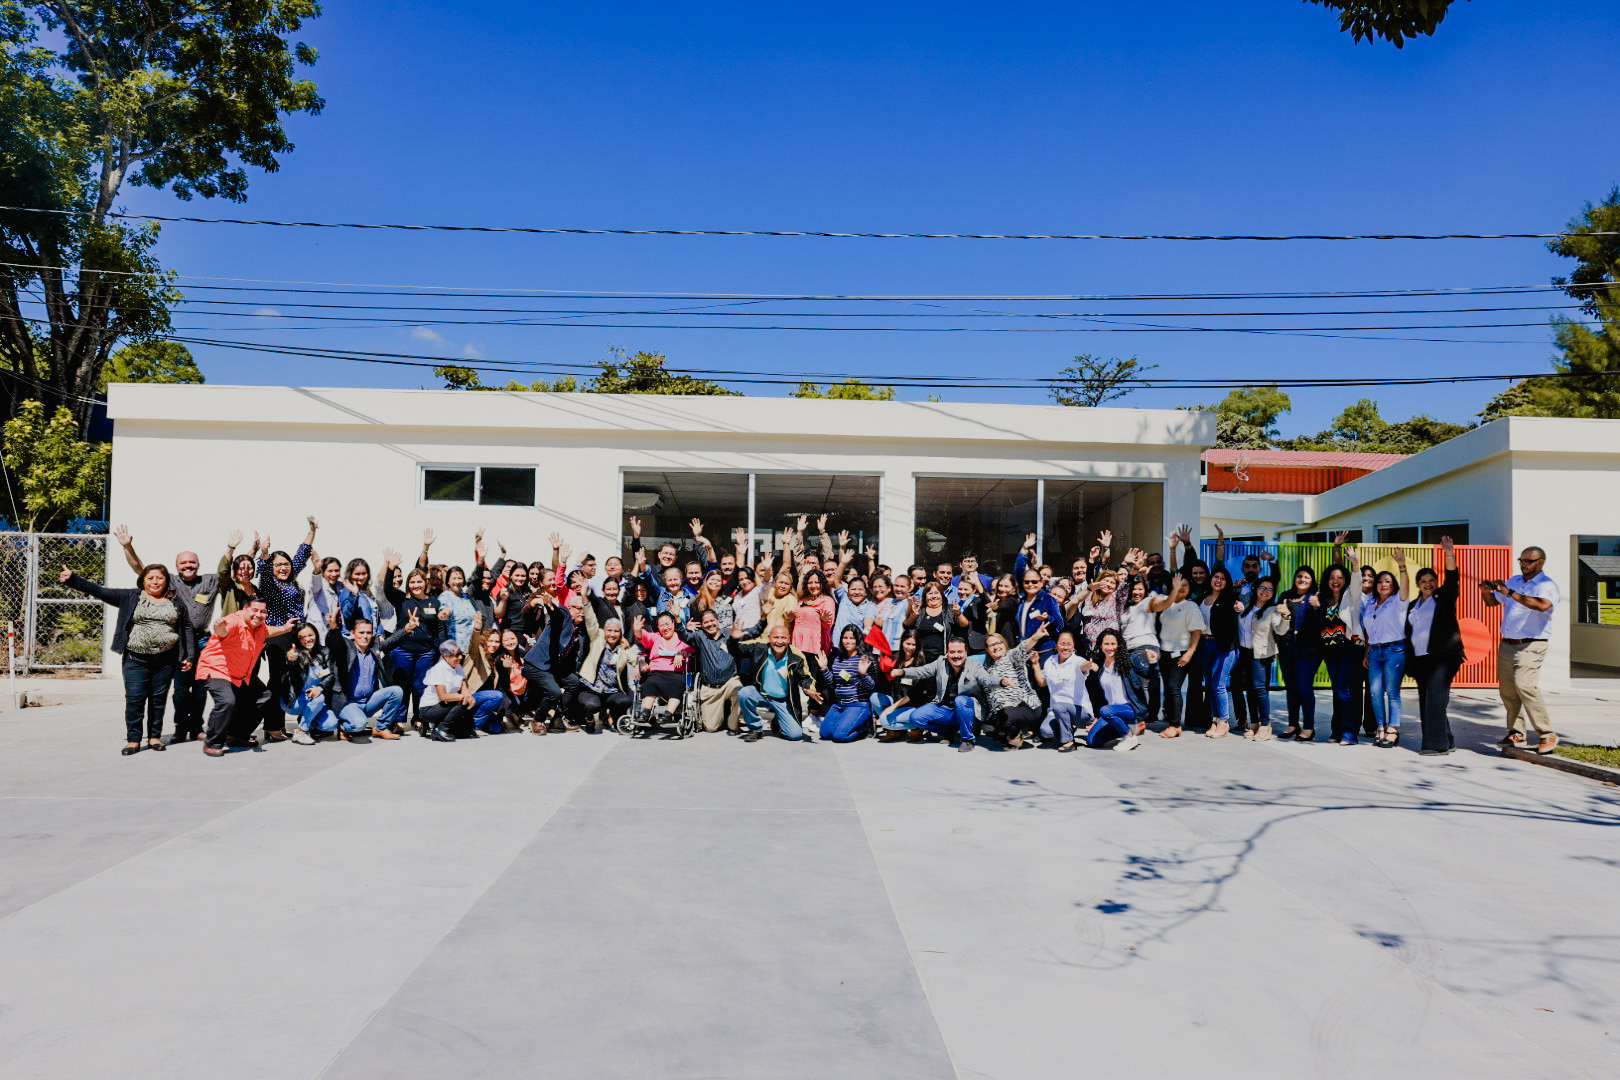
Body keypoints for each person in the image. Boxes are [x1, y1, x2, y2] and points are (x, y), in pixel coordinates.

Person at [59, 561, 198, 755]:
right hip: (136, 659)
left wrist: (189, 655)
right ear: (143, 580)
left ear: (166, 581)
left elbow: (186, 628)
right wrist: (74, 580)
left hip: (165, 660)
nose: (155, 582)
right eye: (150, 578)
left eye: (160, 578)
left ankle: (154, 737)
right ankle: (133, 740)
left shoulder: (175, 603)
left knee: (158, 700)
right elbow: (101, 591)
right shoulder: (130, 597)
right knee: (135, 698)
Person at [114, 524, 229, 743]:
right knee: (180, 689)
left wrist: (236, 549)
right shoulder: (170, 581)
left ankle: (196, 727)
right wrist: (128, 546)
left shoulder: (210, 581)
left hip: (203, 641)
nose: (188, 565)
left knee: (200, 688)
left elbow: (230, 571)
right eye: (183, 562)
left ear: (198, 564)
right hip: (179, 643)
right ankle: (180, 727)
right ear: (176, 567)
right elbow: (141, 569)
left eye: (192, 562)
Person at [1484, 546, 1561, 754]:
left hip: (1532, 644)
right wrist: (1486, 591)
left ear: (1541, 562)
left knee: (1524, 685)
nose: (1523, 564)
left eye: (1528, 561)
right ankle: (1517, 733)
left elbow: (1542, 605)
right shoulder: (1514, 581)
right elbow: (1492, 603)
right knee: (1508, 690)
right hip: (1508, 643)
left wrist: (1510, 593)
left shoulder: (1546, 585)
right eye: (1521, 560)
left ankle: (1547, 734)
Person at [254, 516, 319, 742]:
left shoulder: (291, 579)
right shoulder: (270, 584)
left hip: (293, 636)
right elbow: (262, 570)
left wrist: (312, 531)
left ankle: (276, 726)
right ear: (271, 568)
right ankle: (272, 727)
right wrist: (263, 554)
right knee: (277, 681)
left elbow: (301, 555)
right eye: (278, 564)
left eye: (285, 564)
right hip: (277, 637)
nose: (283, 567)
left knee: (288, 681)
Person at [197, 598, 284, 756]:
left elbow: (269, 631)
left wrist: (286, 628)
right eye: (255, 610)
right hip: (217, 670)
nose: (258, 614)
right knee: (227, 701)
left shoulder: (259, 628)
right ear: (244, 609)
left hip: (239, 675)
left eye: (263, 612)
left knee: (263, 695)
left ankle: (237, 735)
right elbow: (224, 630)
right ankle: (212, 741)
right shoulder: (234, 621)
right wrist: (219, 627)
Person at [882, 638, 991, 752]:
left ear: (966, 652)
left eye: (959, 652)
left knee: (961, 700)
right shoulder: (940, 663)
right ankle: (946, 731)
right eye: (952, 652)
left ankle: (968, 740)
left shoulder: (975, 666)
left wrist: (1001, 682)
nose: (956, 655)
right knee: (916, 718)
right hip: (945, 710)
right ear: (947, 653)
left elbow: (988, 679)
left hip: (967, 710)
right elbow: (922, 671)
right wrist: (903, 672)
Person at [1408, 537, 1464, 757]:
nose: (1428, 583)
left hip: (1444, 657)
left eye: (1432, 580)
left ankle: (1436, 745)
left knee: (1435, 697)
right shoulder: (1413, 605)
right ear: (1418, 584)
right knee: (1429, 699)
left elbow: (1452, 579)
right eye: (1423, 580)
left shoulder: (1444, 597)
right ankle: (1447, 739)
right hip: (1421, 659)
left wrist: (1449, 554)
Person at [382, 551, 448, 725]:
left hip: (426, 653)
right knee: (403, 687)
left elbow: (439, 628)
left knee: (421, 687)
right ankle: (399, 719)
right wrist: (390, 568)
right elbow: (387, 588)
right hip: (402, 651)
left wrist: (440, 649)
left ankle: (419, 717)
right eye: (412, 581)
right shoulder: (401, 599)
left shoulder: (434, 601)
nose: (416, 584)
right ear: (408, 584)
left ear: (425, 582)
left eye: (419, 581)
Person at [324, 608, 409, 738]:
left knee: (396, 691)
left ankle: (381, 727)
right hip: (348, 703)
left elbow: (390, 642)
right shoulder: (346, 649)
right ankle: (343, 726)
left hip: (369, 701)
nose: (365, 636)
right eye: (361, 632)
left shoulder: (374, 648)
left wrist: (407, 629)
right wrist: (333, 627)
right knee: (359, 725)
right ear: (352, 633)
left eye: (368, 633)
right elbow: (336, 643)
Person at [735, 624, 821, 742]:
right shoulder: (761, 647)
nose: (779, 641)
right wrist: (734, 639)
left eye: (783, 638)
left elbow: (805, 676)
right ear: (769, 638)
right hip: (762, 694)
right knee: (744, 693)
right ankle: (756, 729)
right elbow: (737, 649)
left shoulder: (796, 656)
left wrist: (808, 688)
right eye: (776, 637)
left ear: (789, 639)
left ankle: (777, 722)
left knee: (794, 735)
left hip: (783, 700)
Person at [1360, 551, 1410, 749]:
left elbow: (1405, 585)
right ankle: (1380, 726)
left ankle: (1393, 728)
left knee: (1392, 691)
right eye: (1379, 581)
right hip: (1374, 651)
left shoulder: (1399, 601)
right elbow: (1370, 632)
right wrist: (1366, 652)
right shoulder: (1371, 604)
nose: (1382, 584)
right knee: (1374, 691)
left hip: (1394, 650)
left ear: (1393, 584)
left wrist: (1402, 565)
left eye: (1387, 581)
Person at [527, 593, 591, 730]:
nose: (581, 612)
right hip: (537, 664)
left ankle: (557, 719)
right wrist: (550, 606)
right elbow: (557, 614)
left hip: (553, 667)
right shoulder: (564, 615)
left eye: (583, 609)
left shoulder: (580, 630)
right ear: (570, 607)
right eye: (578, 608)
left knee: (573, 683)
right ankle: (537, 720)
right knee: (554, 692)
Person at [980, 623, 1048, 749]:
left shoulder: (1011, 656)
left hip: (1026, 706)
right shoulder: (986, 668)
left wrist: (1035, 637)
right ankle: (1011, 733)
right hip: (1001, 711)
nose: (996, 646)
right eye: (991, 645)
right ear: (987, 650)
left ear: (1004, 643)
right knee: (996, 721)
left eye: (998, 643)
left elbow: (1022, 648)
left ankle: (1016, 736)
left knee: (1003, 718)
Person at [1317, 565, 1364, 745]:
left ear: (1346, 580)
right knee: (1337, 690)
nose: (1335, 581)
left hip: (1348, 649)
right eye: (1332, 577)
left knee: (1343, 690)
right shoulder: (1323, 600)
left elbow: (1357, 582)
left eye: (1340, 577)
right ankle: (1337, 730)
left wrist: (1355, 563)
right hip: (1330, 652)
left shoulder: (1351, 597)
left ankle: (1349, 733)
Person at [1276, 567, 1323, 742]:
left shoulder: (1315, 598)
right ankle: (1293, 724)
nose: (1302, 579)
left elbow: (1320, 623)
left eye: (1307, 577)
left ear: (1312, 581)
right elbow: (1278, 619)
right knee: (1291, 688)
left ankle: (1309, 727)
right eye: (1299, 576)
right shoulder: (1285, 596)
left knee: (1304, 687)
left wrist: (1318, 607)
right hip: (1287, 648)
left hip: (1308, 650)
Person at [681, 608, 744, 734]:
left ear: (718, 620)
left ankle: (733, 725)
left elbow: (745, 644)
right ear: (702, 625)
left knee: (740, 691)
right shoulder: (700, 637)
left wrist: (737, 638)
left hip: (729, 683)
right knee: (711, 728)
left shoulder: (729, 634)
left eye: (712, 620)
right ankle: (722, 716)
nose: (710, 624)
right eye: (706, 622)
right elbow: (683, 636)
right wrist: (680, 621)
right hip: (710, 688)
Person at [1155, 573, 1203, 738]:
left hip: (1181, 653)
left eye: (1185, 585)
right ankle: (1172, 720)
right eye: (1178, 584)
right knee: (1168, 688)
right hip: (1164, 652)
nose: (1181, 588)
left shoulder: (1191, 606)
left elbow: (1197, 631)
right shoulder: (1164, 602)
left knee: (1174, 688)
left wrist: (1190, 652)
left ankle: (1175, 725)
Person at [1238, 578, 1285, 741]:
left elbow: (1280, 630)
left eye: (1270, 590)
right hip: (1244, 652)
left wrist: (1285, 616)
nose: (1265, 591)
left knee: (1259, 689)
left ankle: (1266, 725)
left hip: (1262, 654)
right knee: (1249, 689)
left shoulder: (1272, 610)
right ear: (1255, 588)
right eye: (1262, 588)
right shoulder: (1246, 606)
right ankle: (1254, 723)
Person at [1082, 629, 1145, 751]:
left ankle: (1129, 737)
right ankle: (1127, 728)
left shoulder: (1127, 662)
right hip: (1112, 711)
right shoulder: (1100, 665)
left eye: (1113, 644)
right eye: (1106, 644)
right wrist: (1090, 667)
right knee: (1092, 741)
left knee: (1105, 711)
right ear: (1100, 645)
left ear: (1118, 645)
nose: (1110, 647)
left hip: (1129, 708)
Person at [1033, 630, 1095, 751]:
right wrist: (1035, 664)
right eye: (1062, 644)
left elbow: (1083, 666)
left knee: (1059, 706)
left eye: (1069, 644)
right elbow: (1042, 682)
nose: (1065, 647)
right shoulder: (1050, 661)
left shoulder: (1077, 660)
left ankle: (1069, 742)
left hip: (1080, 711)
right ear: (1056, 646)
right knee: (1046, 731)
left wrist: (1089, 665)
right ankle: (1067, 729)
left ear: (1073, 647)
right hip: (1057, 711)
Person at [577, 607, 635, 733]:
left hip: (610, 692)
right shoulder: (597, 639)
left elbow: (635, 659)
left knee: (625, 701)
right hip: (591, 689)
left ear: (620, 634)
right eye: (609, 630)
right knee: (592, 705)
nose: (612, 634)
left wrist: (640, 665)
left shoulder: (622, 649)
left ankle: (612, 718)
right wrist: (585, 599)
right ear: (604, 631)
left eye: (616, 631)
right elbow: (591, 620)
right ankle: (589, 719)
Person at [1200, 568, 1242, 739]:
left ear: (1227, 581)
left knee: (1219, 683)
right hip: (1205, 645)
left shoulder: (1231, 598)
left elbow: (1240, 609)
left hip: (1225, 647)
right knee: (1210, 684)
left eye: (1223, 578)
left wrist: (1240, 607)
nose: (1218, 580)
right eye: (1216, 577)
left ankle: (1224, 722)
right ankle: (1215, 719)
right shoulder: (1201, 598)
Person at [632, 611, 694, 722]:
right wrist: (637, 629)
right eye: (661, 625)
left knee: (678, 682)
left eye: (667, 624)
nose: (665, 628)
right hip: (656, 672)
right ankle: (645, 712)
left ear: (673, 623)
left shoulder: (682, 638)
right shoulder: (656, 637)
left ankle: (668, 714)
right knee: (650, 682)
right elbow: (643, 636)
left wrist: (682, 653)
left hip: (676, 672)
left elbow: (691, 649)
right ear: (658, 627)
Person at [818, 626, 876, 742]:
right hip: (839, 705)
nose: (848, 641)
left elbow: (871, 686)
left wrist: (863, 674)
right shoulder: (838, 659)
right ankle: (846, 722)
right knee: (825, 734)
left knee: (840, 736)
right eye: (845, 638)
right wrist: (824, 668)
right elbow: (833, 684)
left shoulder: (865, 659)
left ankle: (865, 726)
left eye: (852, 638)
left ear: (858, 640)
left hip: (858, 705)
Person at [283, 622, 338, 744]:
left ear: (316, 635)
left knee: (331, 724)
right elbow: (290, 664)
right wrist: (289, 657)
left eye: (310, 635)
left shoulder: (324, 651)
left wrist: (320, 687)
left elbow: (330, 674)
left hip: (315, 698)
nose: (307, 639)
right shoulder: (295, 653)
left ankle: (306, 719)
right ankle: (301, 731)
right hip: (294, 700)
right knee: (319, 698)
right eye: (302, 637)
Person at [419, 640, 476, 741]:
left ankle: (431, 725)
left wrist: (469, 697)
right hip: (430, 708)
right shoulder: (439, 669)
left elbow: (464, 689)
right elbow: (443, 696)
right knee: (461, 700)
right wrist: (463, 697)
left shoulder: (458, 667)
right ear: (446, 656)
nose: (460, 657)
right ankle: (441, 729)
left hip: (446, 705)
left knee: (465, 732)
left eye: (461, 654)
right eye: (457, 655)